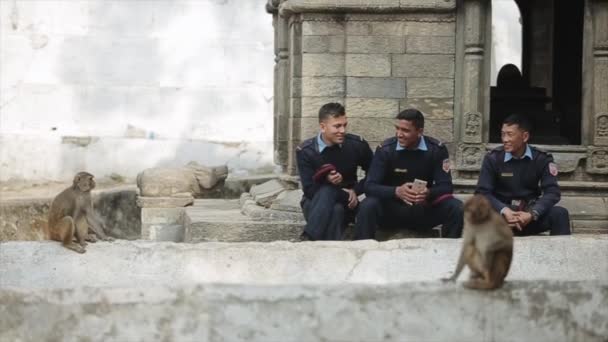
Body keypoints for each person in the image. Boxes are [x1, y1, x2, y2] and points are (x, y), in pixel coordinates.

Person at [357, 108, 463, 239]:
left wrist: (428, 193)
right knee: (368, 205)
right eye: (397, 128)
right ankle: (361, 248)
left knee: (456, 207)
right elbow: (369, 186)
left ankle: (450, 252)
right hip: (391, 211)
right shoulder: (385, 150)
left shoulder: (436, 150)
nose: (399, 134)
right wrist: (396, 191)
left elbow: (446, 187)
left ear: (419, 132)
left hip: (422, 210)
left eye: (405, 130)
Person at [476, 114, 571, 235]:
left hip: (528, 215)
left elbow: (552, 192)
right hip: (502, 216)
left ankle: (561, 253)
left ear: (525, 136)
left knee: (559, 214)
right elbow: (482, 193)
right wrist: (504, 210)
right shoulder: (493, 158)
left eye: (510, 134)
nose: (505, 139)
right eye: (503, 134)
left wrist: (533, 213)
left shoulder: (541, 158)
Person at [295, 102, 373, 241]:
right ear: (323, 127)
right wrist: (327, 180)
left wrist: (356, 190)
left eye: (344, 125)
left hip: (348, 202)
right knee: (330, 197)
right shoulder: (306, 151)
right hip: (315, 203)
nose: (342, 130)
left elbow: (374, 174)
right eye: (337, 126)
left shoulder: (357, 145)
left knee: (337, 206)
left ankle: (308, 238)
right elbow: (309, 190)